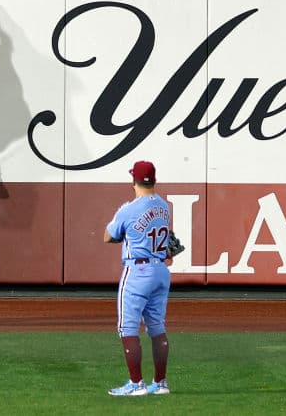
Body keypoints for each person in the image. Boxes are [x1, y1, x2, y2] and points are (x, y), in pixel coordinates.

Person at [104, 160, 174, 398]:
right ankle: (161, 383)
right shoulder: (164, 206)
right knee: (157, 327)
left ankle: (136, 384)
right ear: (154, 180)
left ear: (133, 180)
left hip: (138, 271)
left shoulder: (129, 208)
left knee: (127, 328)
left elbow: (108, 236)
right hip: (161, 270)